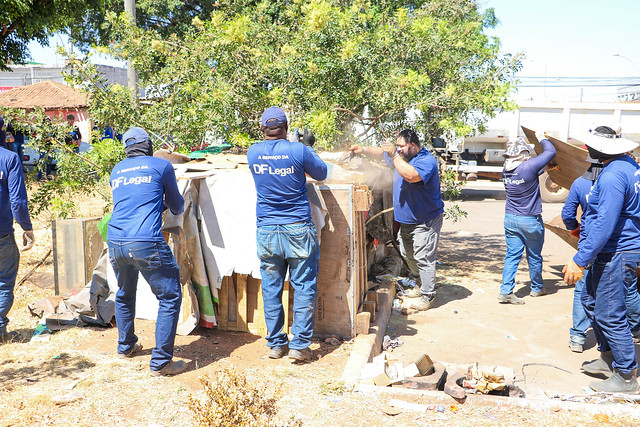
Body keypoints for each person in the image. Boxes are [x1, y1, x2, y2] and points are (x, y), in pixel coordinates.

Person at [247, 106, 327, 361]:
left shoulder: (253, 152)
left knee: (271, 288)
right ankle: (299, 346)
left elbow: (275, 163)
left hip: (268, 231)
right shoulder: (298, 150)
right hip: (297, 229)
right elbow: (321, 174)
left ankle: (275, 344)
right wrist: (308, 146)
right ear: (287, 126)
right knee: (303, 286)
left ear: (262, 129)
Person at [564, 126, 640, 393]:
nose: (587, 150)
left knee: (609, 314)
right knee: (590, 301)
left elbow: (603, 224)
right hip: (617, 249)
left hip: (617, 251)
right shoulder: (629, 165)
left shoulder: (611, 176)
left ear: (599, 150)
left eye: (590, 146)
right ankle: (608, 358)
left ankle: (627, 377)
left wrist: (580, 259)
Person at [107, 127, 186, 376]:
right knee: (170, 296)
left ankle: (126, 346)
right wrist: (163, 203)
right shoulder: (161, 166)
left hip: (116, 241)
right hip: (146, 241)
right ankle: (161, 362)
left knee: (124, 292)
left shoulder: (117, 169)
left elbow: (131, 200)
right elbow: (177, 205)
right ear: (148, 145)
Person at [349, 129, 445, 311]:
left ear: (413, 145)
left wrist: (394, 155)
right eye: (397, 146)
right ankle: (420, 285)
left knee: (424, 257)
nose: (398, 149)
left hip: (425, 220)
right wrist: (362, 149)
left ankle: (428, 296)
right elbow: (383, 151)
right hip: (407, 221)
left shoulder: (426, 161)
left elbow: (410, 176)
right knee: (409, 254)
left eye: (402, 146)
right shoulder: (402, 156)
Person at [498, 136, 556, 304]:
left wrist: (546, 169)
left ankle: (506, 291)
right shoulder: (528, 166)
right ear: (523, 154)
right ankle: (537, 288)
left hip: (510, 219)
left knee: (512, 256)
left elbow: (531, 173)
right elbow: (551, 151)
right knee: (534, 255)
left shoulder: (506, 169)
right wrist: (541, 136)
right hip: (529, 220)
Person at [0, 143, 35, 341]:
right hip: (2, 235)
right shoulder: (9, 158)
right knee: (3, 283)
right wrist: (27, 228)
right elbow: (17, 201)